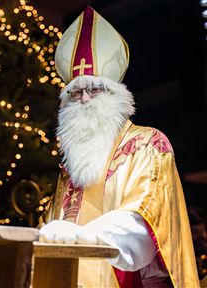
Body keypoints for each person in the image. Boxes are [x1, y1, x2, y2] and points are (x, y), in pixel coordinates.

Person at [39, 6, 200, 288]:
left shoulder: (148, 144)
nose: (84, 99)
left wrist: (82, 237)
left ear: (115, 95)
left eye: (94, 89)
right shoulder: (69, 169)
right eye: (75, 92)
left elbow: (143, 223)